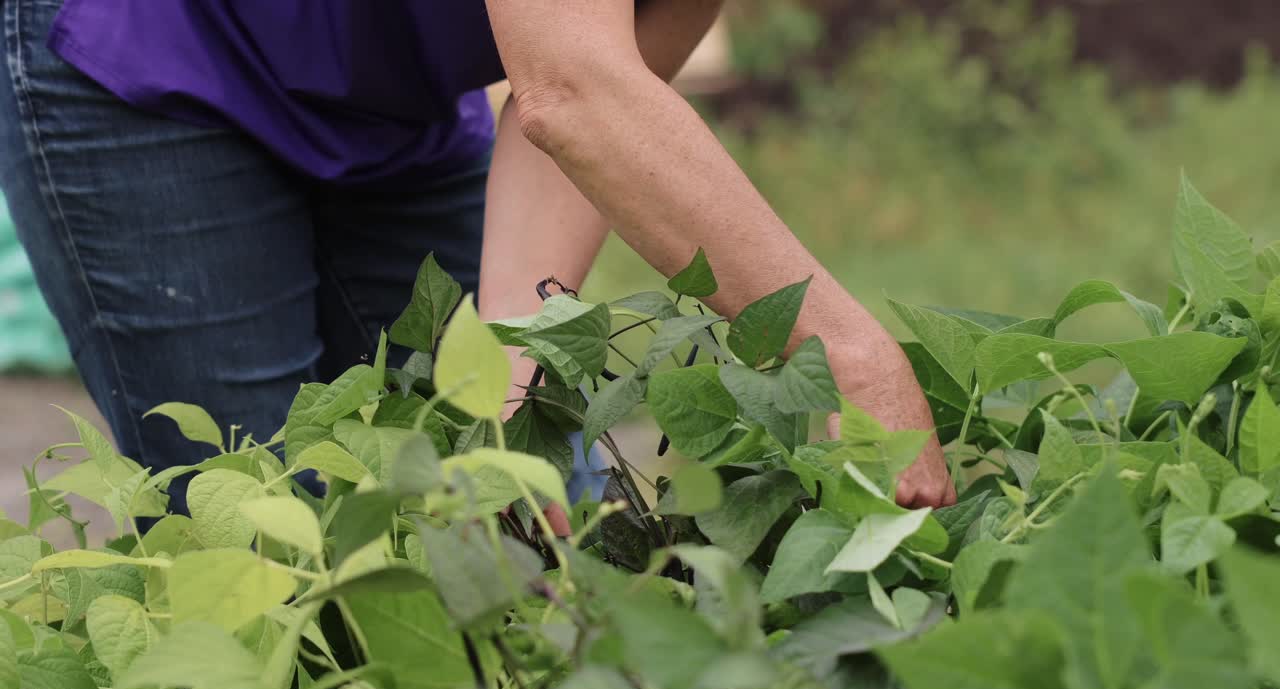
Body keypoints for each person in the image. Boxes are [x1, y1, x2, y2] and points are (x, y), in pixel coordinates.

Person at [0, 0, 956, 512]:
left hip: (385, 86)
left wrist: (510, 369)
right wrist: (849, 354)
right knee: (262, 515)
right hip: (154, 51)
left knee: (517, 501)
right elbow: (572, 93)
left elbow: (576, 117)